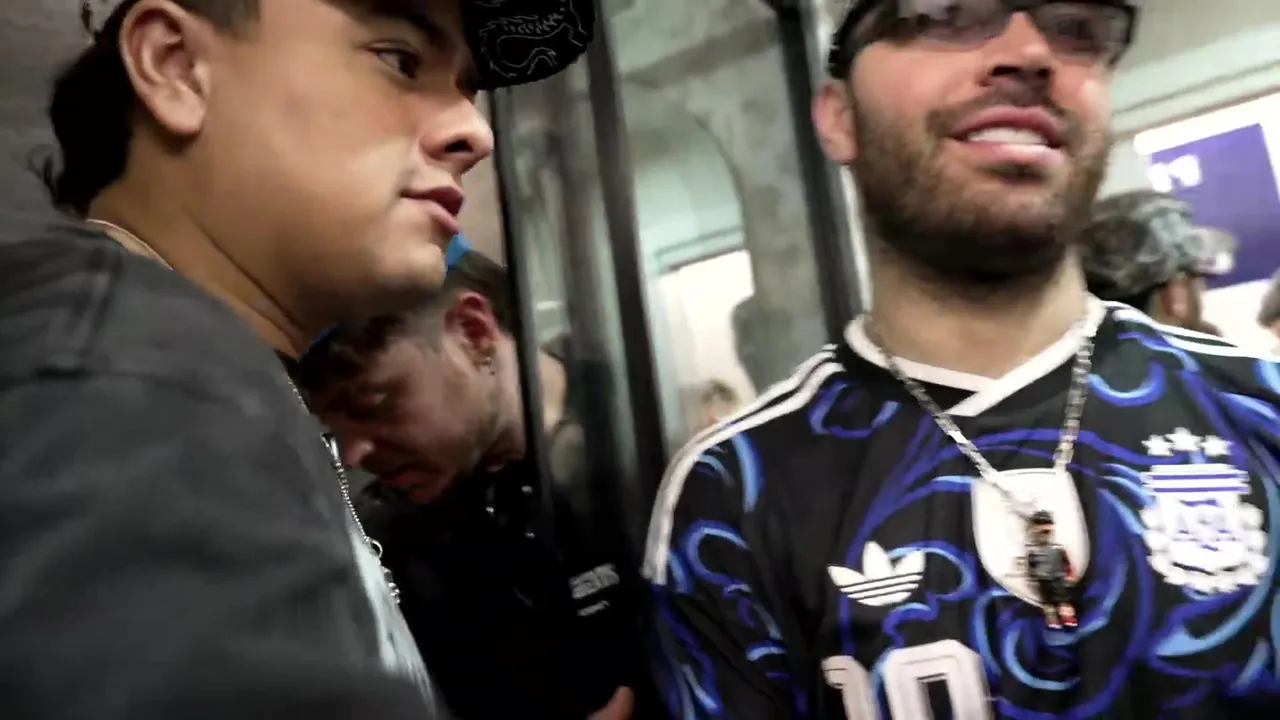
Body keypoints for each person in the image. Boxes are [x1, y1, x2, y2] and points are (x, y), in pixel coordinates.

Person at [643, 1, 1279, 717]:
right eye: (945, 12)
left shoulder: (1262, 411)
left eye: (1075, 25)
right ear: (840, 118)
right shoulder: (734, 494)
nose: (1029, 53)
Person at [0, 0, 592, 718]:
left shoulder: (197, 373)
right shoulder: (117, 383)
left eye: (466, 85)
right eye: (400, 59)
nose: (475, 131)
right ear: (175, 66)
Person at [299, 248, 640, 719]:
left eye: (373, 403)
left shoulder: (647, 426)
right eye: (332, 430)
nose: (354, 453)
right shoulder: (392, 540)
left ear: (473, 332)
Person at [1080, 189, 1234, 333]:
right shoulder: (1207, 351)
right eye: (1199, 283)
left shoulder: (1087, 350)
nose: (1202, 291)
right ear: (1176, 296)